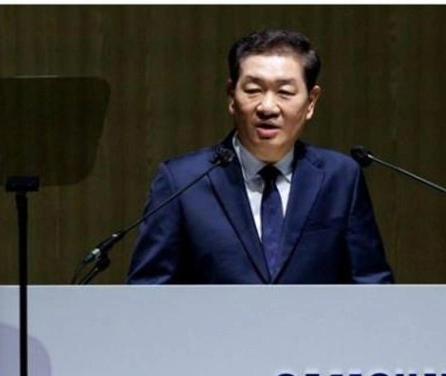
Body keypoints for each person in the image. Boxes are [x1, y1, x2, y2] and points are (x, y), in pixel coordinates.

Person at [128, 29, 393, 284]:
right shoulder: (182, 181)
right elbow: (148, 292)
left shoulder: (341, 178)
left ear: (311, 102)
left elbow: (371, 284)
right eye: (253, 90)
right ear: (232, 96)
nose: (267, 107)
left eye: (285, 92)